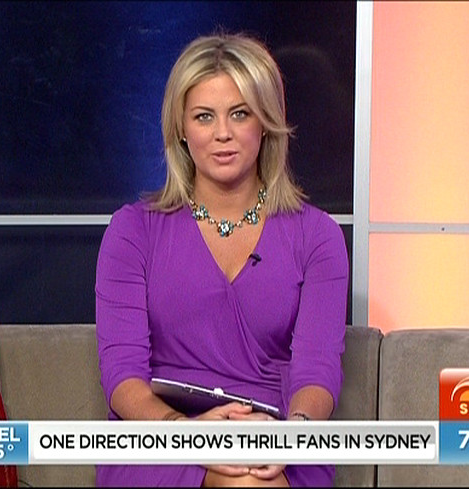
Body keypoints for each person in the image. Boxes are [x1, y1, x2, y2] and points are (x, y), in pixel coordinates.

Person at [95, 32, 348, 487]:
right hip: (160, 433)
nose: (222, 133)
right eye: (204, 116)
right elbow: (122, 375)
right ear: (181, 128)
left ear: (266, 122)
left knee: (253, 478)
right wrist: (188, 434)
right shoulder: (132, 232)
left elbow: (318, 370)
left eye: (240, 113)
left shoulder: (317, 237)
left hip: (274, 431)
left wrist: (292, 436)